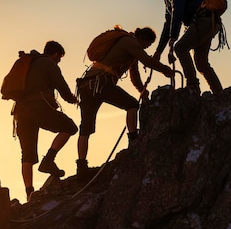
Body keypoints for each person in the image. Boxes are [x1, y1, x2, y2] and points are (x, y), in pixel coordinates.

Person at [76, 26, 174, 175]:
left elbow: (134, 74)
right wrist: (164, 69)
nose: (145, 48)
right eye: (146, 45)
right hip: (102, 82)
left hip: (86, 84)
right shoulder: (130, 42)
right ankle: (134, 140)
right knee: (132, 105)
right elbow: (146, 60)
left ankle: (81, 168)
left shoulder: (125, 44)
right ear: (141, 38)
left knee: (85, 128)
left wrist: (142, 89)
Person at [13, 41, 78, 201]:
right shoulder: (48, 64)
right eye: (59, 58)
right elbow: (61, 86)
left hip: (20, 112)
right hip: (38, 108)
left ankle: (29, 194)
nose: (58, 61)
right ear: (55, 54)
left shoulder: (29, 63)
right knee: (70, 127)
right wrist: (73, 99)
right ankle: (48, 161)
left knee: (27, 155)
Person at [143, 0, 223, 94]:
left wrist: (174, 37)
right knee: (201, 63)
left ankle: (192, 86)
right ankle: (219, 93)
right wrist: (159, 51)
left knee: (180, 48)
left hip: (204, 21)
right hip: (208, 22)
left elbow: (178, 12)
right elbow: (168, 24)